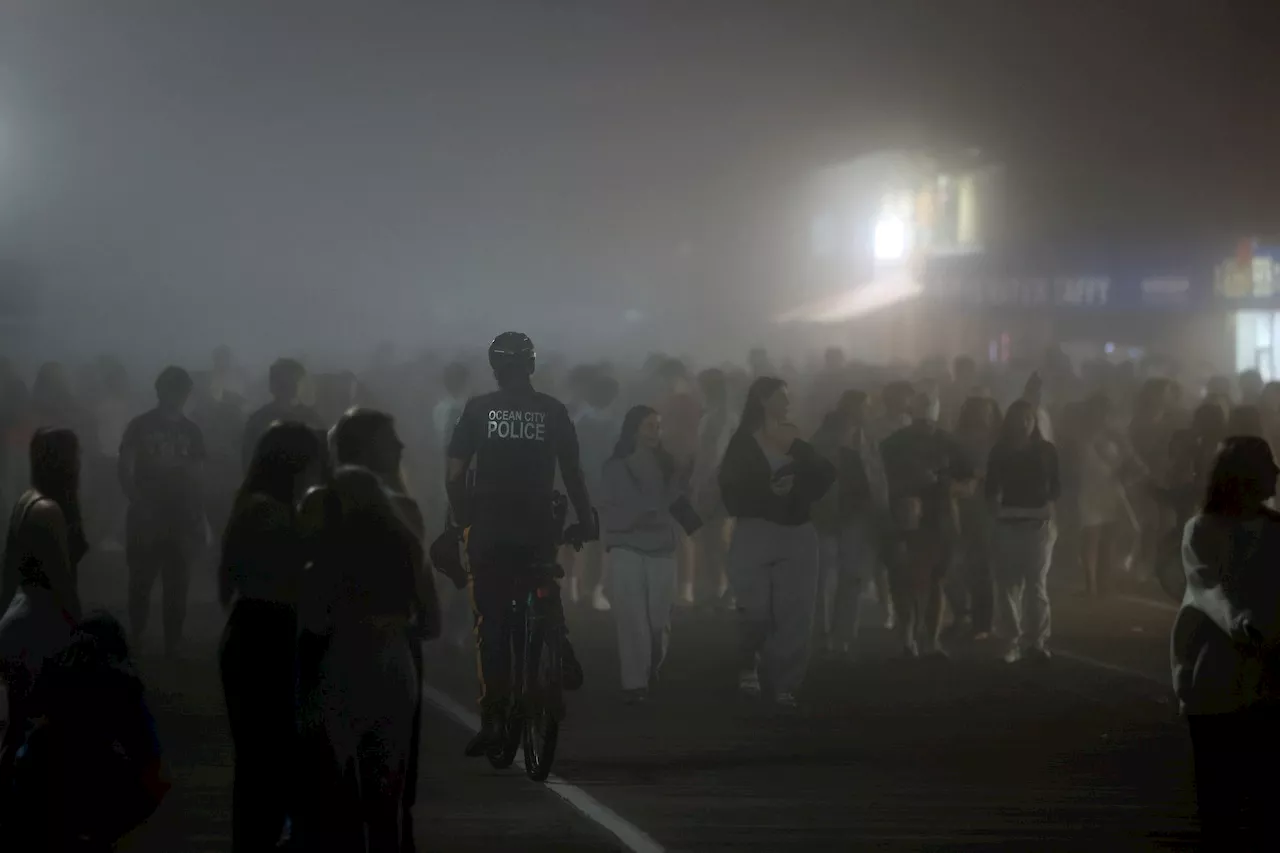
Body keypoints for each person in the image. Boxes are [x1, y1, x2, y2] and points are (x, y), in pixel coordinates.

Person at [445, 332, 595, 757]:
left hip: (490, 529)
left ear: (495, 368)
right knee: (544, 577)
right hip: (539, 526)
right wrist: (586, 520)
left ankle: (494, 720)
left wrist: (460, 518)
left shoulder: (477, 410)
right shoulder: (553, 410)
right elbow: (573, 473)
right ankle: (557, 639)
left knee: (490, 625)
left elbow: (454, 474)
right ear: (532, 366)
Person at [331, 407, 439, 853]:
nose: (400, 446)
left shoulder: (323, 506)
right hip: (392, 644)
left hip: (334, 648)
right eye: (388, 438)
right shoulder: (403, 511)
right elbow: (428, 609)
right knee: (393, 782)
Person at [297, 466, 422, 851]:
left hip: (344, 658)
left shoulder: (328, 547)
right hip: (396, 660)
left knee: (334, 784)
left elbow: (313, 621)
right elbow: (429, 620)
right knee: (386, 791)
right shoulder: (406, 544)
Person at [1171, 436, 1280, 848]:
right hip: (1215, 669)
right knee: (1221, 800)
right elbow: (1210, 589)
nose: (1276, 473)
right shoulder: (1203, 529)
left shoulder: (1274, 531)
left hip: (1269, 675)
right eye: (1268, 464)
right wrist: (1244, 625)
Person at [219, 423, 323, 853]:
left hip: (257, 630)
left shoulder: (257, 505)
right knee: (269, 760)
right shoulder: (270, 513)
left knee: (261, 762)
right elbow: (293, 573)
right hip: (267, 633)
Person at [6, 611, 169, 850]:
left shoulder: (56, 669)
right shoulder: (122, 683)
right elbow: (154, 772)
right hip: (84, 789)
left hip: (46, 782)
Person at [719, 377, 835, 707]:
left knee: (796, 611)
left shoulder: (793, 437)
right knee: (755, 608)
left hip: (797, 531)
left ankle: (785, 684)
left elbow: (826, 475)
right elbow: (730, 487)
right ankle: (748, 666)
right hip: (755, 529)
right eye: (781, 396)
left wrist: (796, 468)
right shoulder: (742, 441)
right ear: (762, 399)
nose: (788, 402)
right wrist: (766, 491)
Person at [0, 428, 88, 783]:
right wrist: (79, 630)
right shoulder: (50, 510)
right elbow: (62, 584)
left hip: (20, 622)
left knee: (18, 728)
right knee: (44, 730)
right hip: (42, 626)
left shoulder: (26, 501)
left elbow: (8, 572)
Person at [600, 406, 691, 704]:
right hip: (626, 547)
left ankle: (651, 667)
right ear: (634, 430)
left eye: (657, 426)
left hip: (662, 549)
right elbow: (612, 507)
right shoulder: (616, 466)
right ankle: (635, 683)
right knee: (632, 620)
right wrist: (647, 514)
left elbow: (680, 503)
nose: (655, 432)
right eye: (649, 426)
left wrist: (696, 519)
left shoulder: (669, 465)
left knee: (657, 620)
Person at [118, 366, 207, 657]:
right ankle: (139, 637)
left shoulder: (191, 431)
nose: (178, 396)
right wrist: (138, 502)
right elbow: (125, 468)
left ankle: (170, 642)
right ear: (160, 390)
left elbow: (199, 474)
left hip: (179, 517)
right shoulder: (140, 426)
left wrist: (197, 514)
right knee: (142, 582)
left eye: (181, 390)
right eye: (173, 389)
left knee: (176, 584)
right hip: (149, 514)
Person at [880, 392, 975, 659]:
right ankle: (907, 638)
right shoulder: (893, 444)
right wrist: (909, 485)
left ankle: (930, 640)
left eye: (929, 424)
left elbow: (970, 483)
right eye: (921, 424)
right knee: (904, 581)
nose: (925, 429)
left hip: (940, 520)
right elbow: (879, 483)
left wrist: (947, 486)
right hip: (905, 521)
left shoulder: (948, 444)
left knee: (936, 581)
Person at [809, 390, 886, 658]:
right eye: (865, 406)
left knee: (850, 577)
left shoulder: (865, 438)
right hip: (827, 515)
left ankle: (841, 635)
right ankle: (823, 633)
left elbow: (876, 477)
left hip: (855, 515)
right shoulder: (825, 438)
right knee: (823, 578)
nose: (869, 411)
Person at [986, 400, 1060, 664]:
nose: (1024, 424)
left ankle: (1037, 640)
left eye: (1028, 419)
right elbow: (991, 490)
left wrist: (1049, 516)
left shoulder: (1046, 451)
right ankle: (1011, 639)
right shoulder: (1000, 451)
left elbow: (1055, 489)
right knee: (1007, 585)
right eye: (1019, 419)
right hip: (1007, 525)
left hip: (1037, 526)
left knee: (1036, 585)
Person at [572, 373, 621, 610]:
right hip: (608, 489)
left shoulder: (579, 421)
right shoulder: (616, 425)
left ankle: (576, 588)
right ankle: (598, 591)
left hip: (582, 486)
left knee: (582, 540)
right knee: (604, 543)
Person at [242, 358, 323, 472]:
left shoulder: (312, 418)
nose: (289, 386)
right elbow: (248, 460)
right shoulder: (259, 420)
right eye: (285, 382)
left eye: (293, 381)